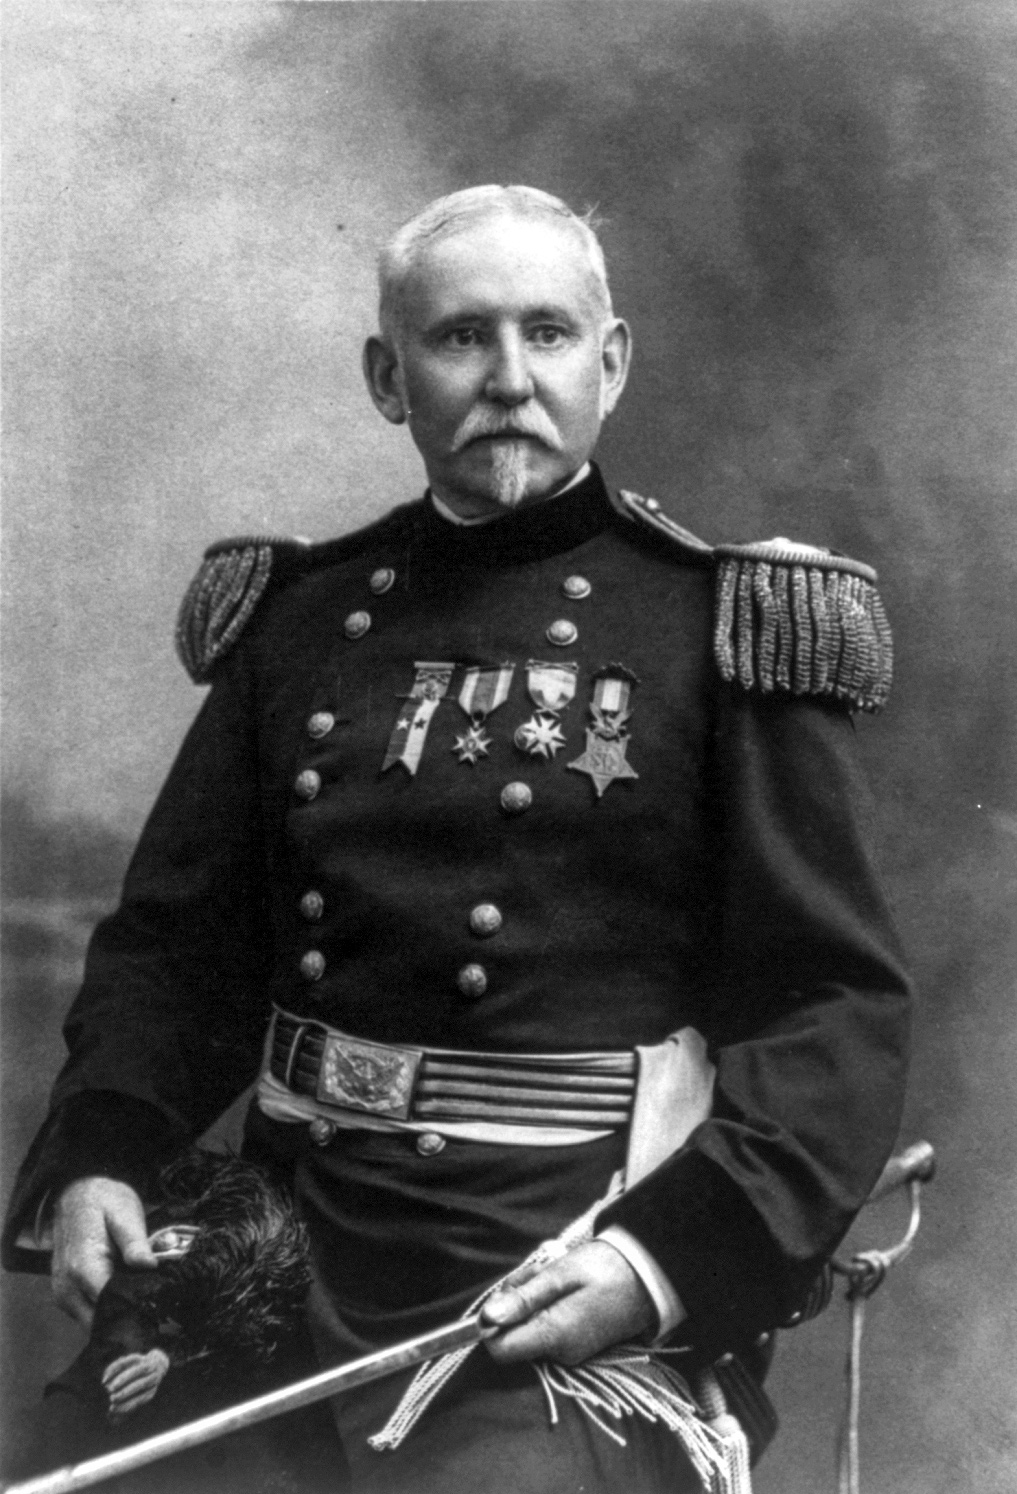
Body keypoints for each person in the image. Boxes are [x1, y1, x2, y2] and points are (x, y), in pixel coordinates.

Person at [3, 185, 911, 1493]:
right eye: (458, 338)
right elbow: (179, 945)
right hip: (277, 1252)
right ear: (388, 376)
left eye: (546, 334)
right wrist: (101, 1154)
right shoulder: (300, 618)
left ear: (611, 364)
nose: (505, 377)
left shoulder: (723, 630)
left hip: (549, 1266)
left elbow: (830, 1006)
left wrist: (653, 1263)